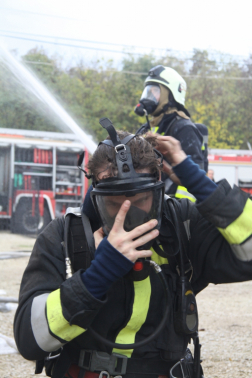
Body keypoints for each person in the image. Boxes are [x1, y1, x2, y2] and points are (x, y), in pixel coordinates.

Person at [14, 118, 252, 378]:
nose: (127, 217)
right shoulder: (65, 238)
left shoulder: (181, 226)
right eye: (114, 204)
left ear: (159, 192)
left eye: (140, 200)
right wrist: (97, 276)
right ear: (96, 196)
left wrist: (194, 178)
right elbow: (30, 339)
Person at [134, 65, 207, 202]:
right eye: (147, 91)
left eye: (154, 91)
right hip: (151, 204)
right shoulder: (147, 127)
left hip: (178, 211)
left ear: (170, 94)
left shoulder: (184, 128)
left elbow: (195, 175)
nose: (148, 97)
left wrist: (179, 208)